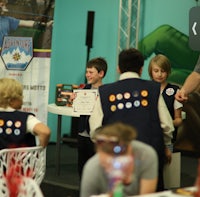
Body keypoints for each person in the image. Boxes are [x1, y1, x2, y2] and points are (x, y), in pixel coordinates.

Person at [89, 48, 174, 191]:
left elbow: (95, 130)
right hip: (150, 155)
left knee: (118, 192)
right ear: (141, 69)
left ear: (118, 68)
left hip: (116, 157)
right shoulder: (153, 89)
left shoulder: (105, 92)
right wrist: (166, 145)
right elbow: (166, 126)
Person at [80, 122, 158, 197]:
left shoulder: (145, 155)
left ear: (129, 152)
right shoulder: (93, 168)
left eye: (112, 164)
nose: (108, 170)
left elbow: (146, 195)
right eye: (104, 164)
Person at [76, 57, 108, 178]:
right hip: (82, 134)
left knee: (96, 167)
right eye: (87, 72)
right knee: (81, 167)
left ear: (101, 74)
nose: (87, 75)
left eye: (91, 72)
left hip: (96, 136)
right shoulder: (84, 89)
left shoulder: (106, 92)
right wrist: (74, 100)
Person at [0, 77, 51, 149]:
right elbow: (45, 132)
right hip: (20, 160)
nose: (23, 97)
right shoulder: (25, 118)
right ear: (11, 100)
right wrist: (40, 148)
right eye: (20, 95)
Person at [148, 54, 183, 145]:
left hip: (168, 140)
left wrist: (165, 125)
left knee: (167, 159)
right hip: (148, 138)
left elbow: (178, 119)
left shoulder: (175, 91)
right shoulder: (144, 90)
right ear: (151, 72)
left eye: (163, 71)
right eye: (156, 71)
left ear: (168, 72)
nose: (159, 74)